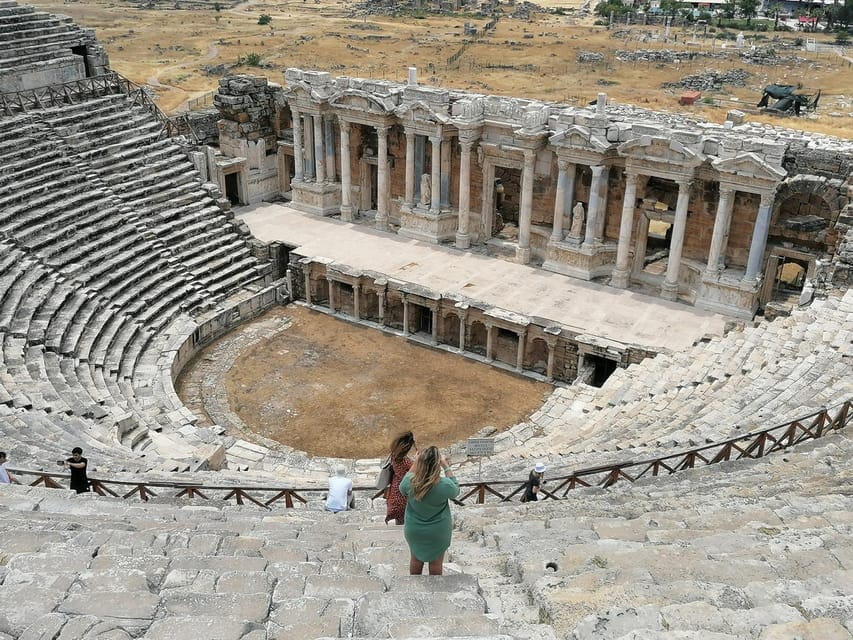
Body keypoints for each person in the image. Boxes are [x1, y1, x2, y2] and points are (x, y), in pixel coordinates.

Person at [399, 446, 460, 576]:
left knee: (415, 560)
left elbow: (402, 487)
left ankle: (415, 588)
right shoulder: (445, 485)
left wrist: (416, 462)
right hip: (439, 530)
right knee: (436, 564)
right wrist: (446, 466)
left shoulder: (409, 482)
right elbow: (456, 490)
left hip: (414, 528)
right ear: (437, 464)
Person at [385, 431, 416, 525]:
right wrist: (417, 460)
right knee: (406, 520)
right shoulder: (406, 462)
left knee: (399, 520)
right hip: (403, 495)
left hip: (395, 491)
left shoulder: (394, 455)